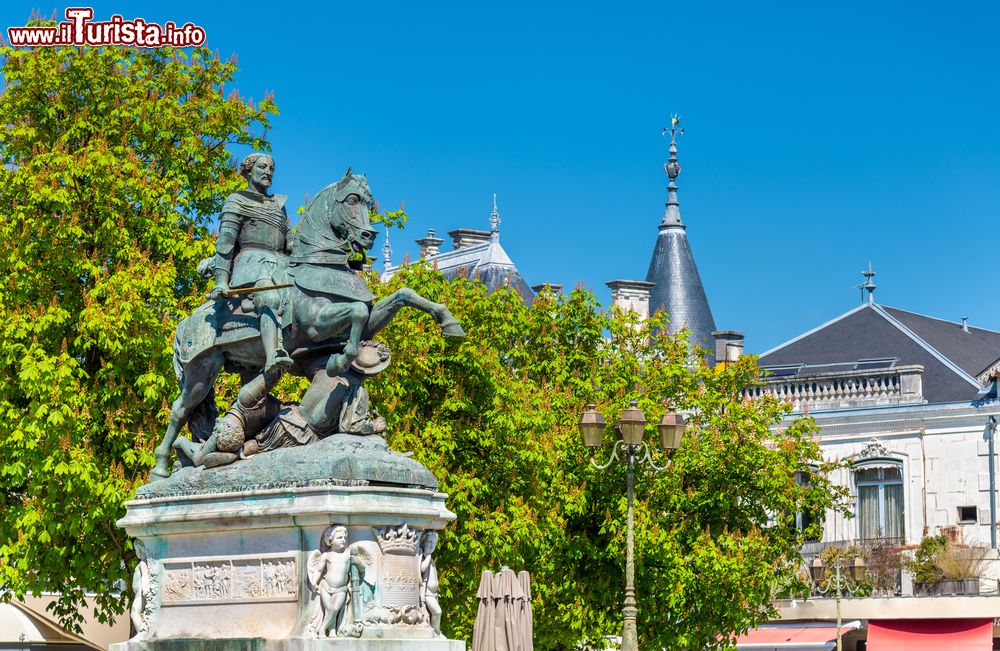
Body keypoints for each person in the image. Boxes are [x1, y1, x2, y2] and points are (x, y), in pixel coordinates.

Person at [207, 152, 293, 375]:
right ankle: (273, 354)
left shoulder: (279, 206)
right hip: (252, 264)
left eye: (271, 169)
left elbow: (290, 244)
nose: (268, 172)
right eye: (262, 167)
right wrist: (221, 282)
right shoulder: (236, 201)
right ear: (248, 170)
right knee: (269, 296)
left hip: (282, 266)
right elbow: (225, 243)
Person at [420, 531, 442, 636]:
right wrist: (428, 555)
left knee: (435, 613)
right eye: (429, 542)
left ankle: (436, 631)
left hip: (434, 593)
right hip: (427, 594)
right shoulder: (423, 556)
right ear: (423, 542)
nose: (431, 545)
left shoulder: (430, 559)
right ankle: (436, 632)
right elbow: (422, 568)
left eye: (433, 543)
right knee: (437, 612)